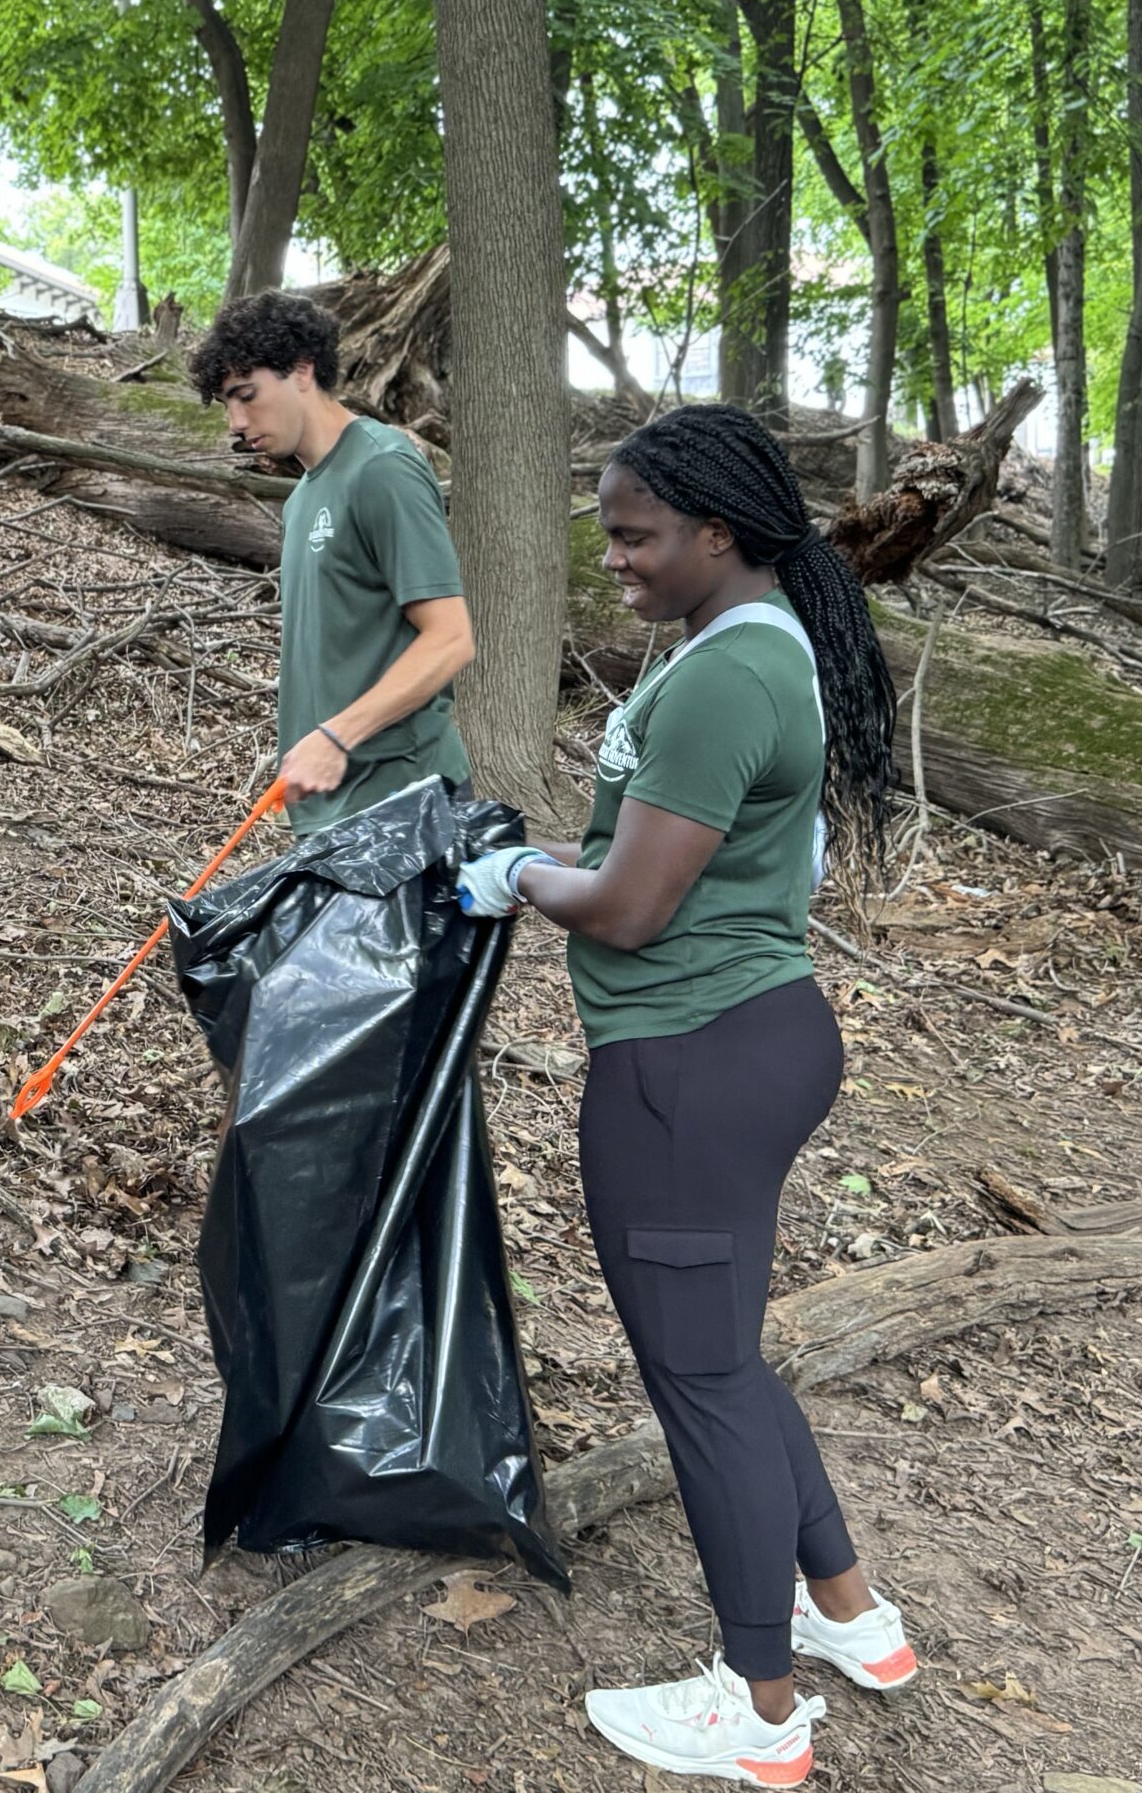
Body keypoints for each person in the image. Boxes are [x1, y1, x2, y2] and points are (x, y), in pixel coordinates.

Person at [455, 405, 917, 1786]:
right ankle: (851, 1618)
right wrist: (560, 854)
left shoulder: (725, 677)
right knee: (725, 1352)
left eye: (636, 534)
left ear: (720, 528)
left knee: (699, 1374)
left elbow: (632, 909)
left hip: (688, 1066)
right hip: (752, 1042)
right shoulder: (758, 647)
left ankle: (759, 1712)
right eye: (608, 535)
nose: (617, 560)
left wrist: (520, 877)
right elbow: (671, 854)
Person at [188, 292, 474, 832]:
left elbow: (451, 638)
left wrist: (338, 735)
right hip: (327, 813)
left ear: (302, 369)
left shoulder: (381, 468)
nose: (235, 421)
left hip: (402, 806)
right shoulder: (301, 499)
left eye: (245, 395)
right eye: (227, 404)